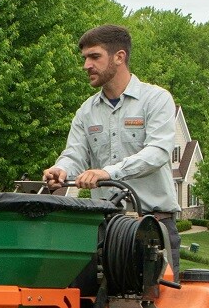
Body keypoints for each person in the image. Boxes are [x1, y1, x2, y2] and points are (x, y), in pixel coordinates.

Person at [42, 24, 181, 277]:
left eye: (94, 57)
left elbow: (159, 152)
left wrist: (108, 172)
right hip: (105, 227)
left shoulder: (156, 99)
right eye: (84, 58)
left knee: (158, 307)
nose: (86, 65)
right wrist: (60, 169)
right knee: (94, 305)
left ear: (119, 57)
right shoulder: (86, 111)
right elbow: (74, 153)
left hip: (154, 227)